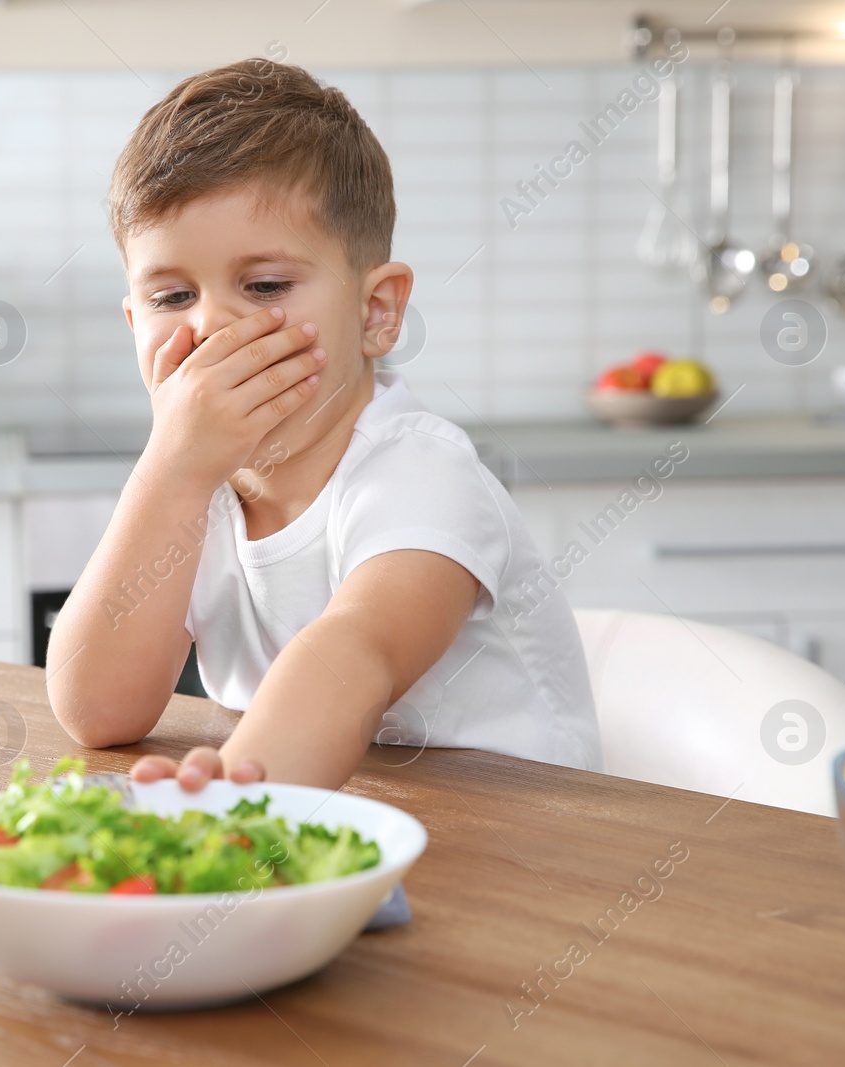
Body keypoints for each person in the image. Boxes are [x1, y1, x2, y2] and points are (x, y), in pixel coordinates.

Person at [46, 58, 601, 791]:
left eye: (266, 285)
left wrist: (241, 797)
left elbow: (353, 652)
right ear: (133, 324)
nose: (211, 326)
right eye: (173, 296)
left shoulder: (422, 474)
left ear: (376, 312)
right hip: (345, 824)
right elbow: (99, 709)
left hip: (529, 856)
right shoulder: (193, 490)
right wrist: (170, 471)